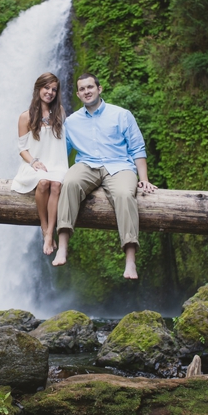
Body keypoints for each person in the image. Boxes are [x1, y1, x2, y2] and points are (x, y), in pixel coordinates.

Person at [51, 73, 157, 278]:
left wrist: (143, 179)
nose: (86, 91)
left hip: (119, 165)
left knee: (126, 195)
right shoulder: (71, 122)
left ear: (99, 89)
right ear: (78, 94)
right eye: (82, 89)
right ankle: (62, 247)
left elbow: (137, 148)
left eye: (90, 87)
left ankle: (130, 261)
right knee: (70, 182)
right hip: (86, 164)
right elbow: (60, 153)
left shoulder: (121, 115)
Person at [11, 72, 70, 255]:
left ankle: (50, 232)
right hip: (35, 164)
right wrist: (34, 162)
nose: (50, 92)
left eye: (54, 89)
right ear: (38, 89)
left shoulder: (59, 112)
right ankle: (45, 229)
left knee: (56, 184)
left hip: (57, 164)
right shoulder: (25, 117)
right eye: (46, 88)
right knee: (44, 182)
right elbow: (22, 149)